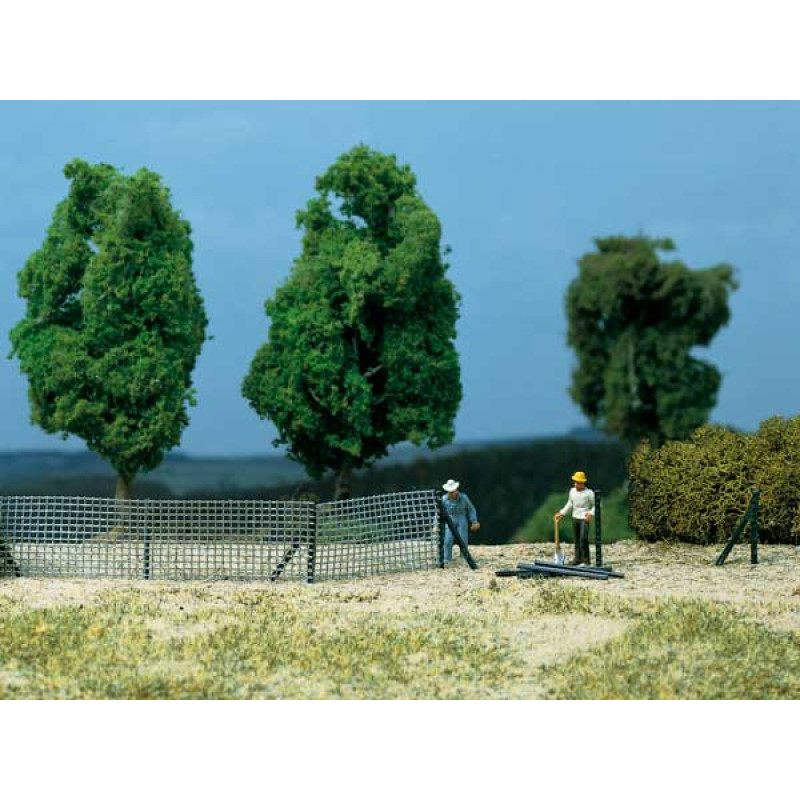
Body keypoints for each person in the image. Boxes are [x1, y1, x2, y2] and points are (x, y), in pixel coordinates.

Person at [434, 479, 480, 564]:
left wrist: (474, 521)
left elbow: (471, 509)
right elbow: (438, 512)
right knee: (448, 540)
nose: (451, 493)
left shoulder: (464, 498)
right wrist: (436, 525)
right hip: (449, 518)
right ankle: (447, 558)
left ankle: (464, 557)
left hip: (461, 518)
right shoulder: (444, 499)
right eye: (450, 491)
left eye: (453, 491)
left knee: (463, 539)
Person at [554, 471, 595, 565]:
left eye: (578, 482)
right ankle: (577, 558)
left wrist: (591, 513)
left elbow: (597, 504)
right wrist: (562, 513)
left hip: (584, 518)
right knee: (576, 540)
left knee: (583, 539)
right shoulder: (572, 491)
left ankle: (586, 561)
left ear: (583, 483)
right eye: (575, 482)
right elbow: (570, 503)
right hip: (575, 517)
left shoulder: (589, 493)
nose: (576, 484)